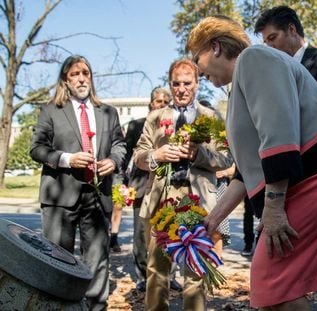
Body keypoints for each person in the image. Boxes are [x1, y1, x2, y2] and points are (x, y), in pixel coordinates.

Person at [186, 15, 317, 310]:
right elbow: (247, 171)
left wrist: (274, 208)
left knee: (271, 283)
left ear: (215, 46)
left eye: (197, 58)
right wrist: (213, 219)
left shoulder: (253, 59)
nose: (199, 72)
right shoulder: (245, 76)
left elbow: (278, 134)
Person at [134, 59, 232, 311]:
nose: (181, 89)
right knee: (157, 270)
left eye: (187, 83)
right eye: (176, 84)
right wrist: (157, 155)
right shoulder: (155, 118)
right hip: (161, 201)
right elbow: (139, 157)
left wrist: (197, 154)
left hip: (197, 201)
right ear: (170, 85)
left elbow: (225, 158)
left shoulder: (211, 117)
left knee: (196, 270)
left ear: (197, 84)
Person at [30, 55, 126, 310]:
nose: (82, 78)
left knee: (97, 261)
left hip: (97, 195)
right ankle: (58, 307)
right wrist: (67, 159)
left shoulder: (107, 112)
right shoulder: (51, 111)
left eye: (86, 73)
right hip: (60, 198)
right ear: (65, 79)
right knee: (57, 260)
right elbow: (37, 148)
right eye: (75, 74)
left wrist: (114, 161)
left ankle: (96, 306)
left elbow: (119, 144)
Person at [124, 86, 182, 291]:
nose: (162, 106)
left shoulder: (177, 126)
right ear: (151, 103)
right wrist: (123, 185)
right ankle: (142, 275)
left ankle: (170, 274)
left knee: (171, 232)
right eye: (159, 102)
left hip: (170, 188)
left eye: (166, 102)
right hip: (141, 187)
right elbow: (127, 158)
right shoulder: (136, 125)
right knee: (141, 235)